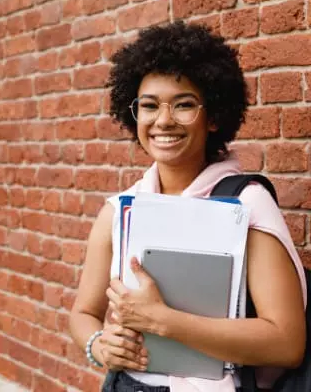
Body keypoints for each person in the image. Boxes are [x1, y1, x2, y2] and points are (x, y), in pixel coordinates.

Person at [69, 21, 307, 392]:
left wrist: (164, 321)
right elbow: (83, 313)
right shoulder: (119, 211)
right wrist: (99, 346)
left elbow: (287, 342)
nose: (163, 120)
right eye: (149, 106)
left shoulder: (245, 205)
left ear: (213, 117)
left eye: (183, 105)